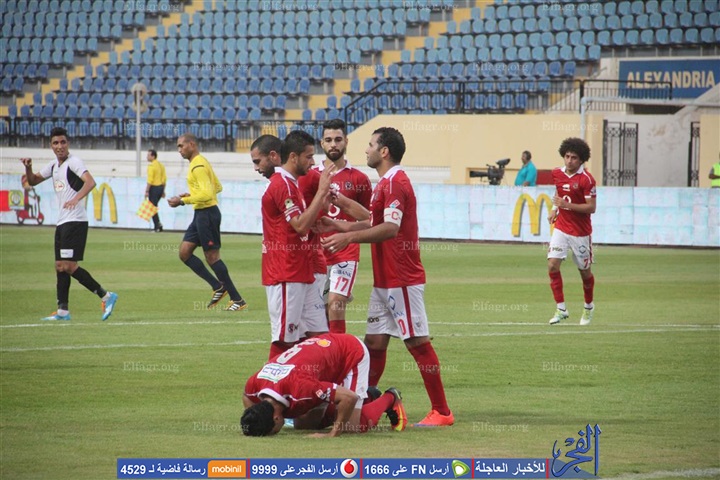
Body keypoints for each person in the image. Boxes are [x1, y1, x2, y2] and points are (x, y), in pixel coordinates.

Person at [319, 127, 454, 427]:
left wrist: (348, 239)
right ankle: (361, 404)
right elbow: (372, 222)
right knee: (375, 343)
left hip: (401, 277)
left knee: (417, 343)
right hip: (385, 281)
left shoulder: (395, 183)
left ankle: (442, 412)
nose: (365, 150)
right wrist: (340, 226)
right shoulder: (384, 183)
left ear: (384, 151)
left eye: (370, 145)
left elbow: (390, 229)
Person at [20, 127, 118, 321]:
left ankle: (106, 296)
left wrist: (76, 198)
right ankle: (62, 311)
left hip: (75, 222)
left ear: (68, 143)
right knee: (59, 265)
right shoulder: (53, 166)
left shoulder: (74, 162)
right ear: (51, 146)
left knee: (69, 265)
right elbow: (33, 181)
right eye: (56, 143)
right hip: (63, 222)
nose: (60, 146)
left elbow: (90, 182)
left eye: (63, 142)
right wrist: (28, 167)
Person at [241, 333, 406, 437]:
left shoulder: (302, 388)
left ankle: (390, 398)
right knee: (305, 426)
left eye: (272, 432)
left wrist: (332, 434)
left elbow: (349, 398)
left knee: (351, 427)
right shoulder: (254, 385)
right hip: (321, 363)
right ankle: (368, 396)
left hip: (350, 353)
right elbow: (246, 397)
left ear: (276, 418)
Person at [261, 130, 335, 359]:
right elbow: (300, 226)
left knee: (319, 337)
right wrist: (321, 192)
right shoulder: (282, 184)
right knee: (285, 340)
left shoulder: (292, 184)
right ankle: (267, 382)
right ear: (293, 157)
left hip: (302, 272)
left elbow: (303, 227)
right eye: (309, 156)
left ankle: (312, 379)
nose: (313, 162)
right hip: (285, 273)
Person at [301, 119, 372, 334]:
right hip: (316, 253)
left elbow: (370, 219)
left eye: (338, 139)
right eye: (329, 140)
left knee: (336, 303)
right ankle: (328, 350)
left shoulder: (359, 178)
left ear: (346, 142)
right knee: (319, 312)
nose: (334, 144)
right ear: (322, 143)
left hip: (345, 252)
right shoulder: (310, 175)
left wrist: (344, 226)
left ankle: (339, 349)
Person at [168, 133, 247, 311]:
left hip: (207, 215)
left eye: (181, 146)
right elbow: (217, 187)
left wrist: (183, 201)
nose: (179, 150)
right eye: (178, 146)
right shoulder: (201, 162)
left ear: (192, 144)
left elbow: (208, 194)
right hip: (201, 213)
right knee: (184, 252)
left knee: (212, 257)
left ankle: (237, 299)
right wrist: (193, 195)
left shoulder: (198, 166)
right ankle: (218, 286)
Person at [547, 137, 597, 326]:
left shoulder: (587, 180)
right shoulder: (556, 173)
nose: (569, 161)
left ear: (581, 159)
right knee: (552, 265)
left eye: (574, 157)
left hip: (580, 233)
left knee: (584, 272)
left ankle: (588, 306)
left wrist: (566, 205)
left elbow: (591, 207)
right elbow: (560, 191)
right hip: (561, 227)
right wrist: (554, 209)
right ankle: (561, 309)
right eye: (567, 156)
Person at [144, 149, 166, 232]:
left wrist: (147, 191)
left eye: (148, 155)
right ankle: (158, 225)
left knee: (152, 208)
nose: (147, 157)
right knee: (154, 207)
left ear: (153, 156)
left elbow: (150, 180)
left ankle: (157, 226)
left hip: (154, 188)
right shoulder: (161, 165)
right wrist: (163, 190)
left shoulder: (151, 166)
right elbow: (164, 179)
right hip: (160, 188)